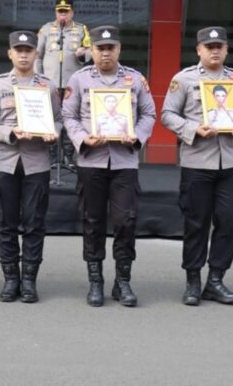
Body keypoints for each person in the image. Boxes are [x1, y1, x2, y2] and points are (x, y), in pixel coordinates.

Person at [62, 25, 156, 307]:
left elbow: (148, 113)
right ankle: (96, 282)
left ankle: (122, 281)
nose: (105, 53)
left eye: (110, 48)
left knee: (126, 221)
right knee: (92, 221)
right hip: (91, 160)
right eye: (100, 48)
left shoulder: (135, 79)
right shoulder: (78, 80)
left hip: (125, 160)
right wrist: (82, 138)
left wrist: (137, 136)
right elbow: (68, 115)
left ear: (119, 49)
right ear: (92, 51)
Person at [161, 26, 233, 306]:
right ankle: (193, 279)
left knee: (230, 221)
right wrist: (193, 129)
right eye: (209, 47)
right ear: (198, 50)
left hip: (230, 164)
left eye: (219, 46)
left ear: (226, 50)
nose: (214, 51)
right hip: (197, 162)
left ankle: (216, 279)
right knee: (196, 223)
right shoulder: (184, 79)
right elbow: (167, 114)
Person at [0, 30, 61, 303]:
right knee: (6, 222)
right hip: (5, 163)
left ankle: (29, 280)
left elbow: (59, 119)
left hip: (36, 163)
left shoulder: (48, 87)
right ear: (10, 54)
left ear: (36, 54)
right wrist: (11, 132)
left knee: (34, 222)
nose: (24, 55)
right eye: (19, 50)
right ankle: (10, 279)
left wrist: (54, 132)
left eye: (28, 51)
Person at [36, 0, 91, 168]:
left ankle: (68, 156)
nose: (63, 14)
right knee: (51, 119)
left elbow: (89, 54)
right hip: (50, 83)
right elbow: (37, 55)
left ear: (72, 12)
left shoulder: (81, 29)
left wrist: (83, 53)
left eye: (66, 11)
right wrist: (38, 79)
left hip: (72, 84)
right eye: (60, 11)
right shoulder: (46, 29)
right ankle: (53, 157)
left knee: (70, 119)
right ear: (55, 12)